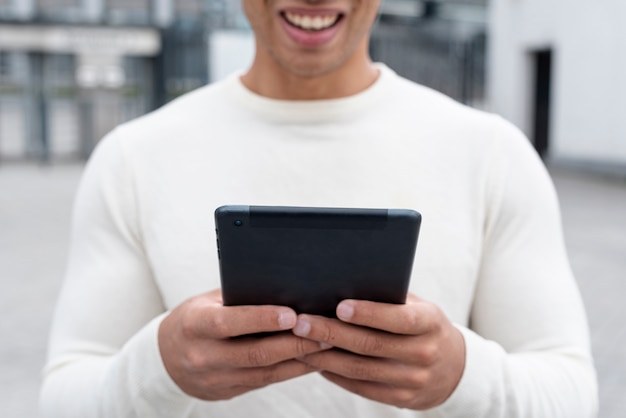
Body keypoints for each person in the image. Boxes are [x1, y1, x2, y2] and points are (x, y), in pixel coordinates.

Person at [40, 1, 598, 417]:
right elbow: (61, 398)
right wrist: (158, 367)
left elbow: (571, 394)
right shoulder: (133, 159)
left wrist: (462, 375)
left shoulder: (492, 154)